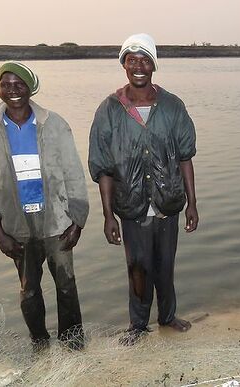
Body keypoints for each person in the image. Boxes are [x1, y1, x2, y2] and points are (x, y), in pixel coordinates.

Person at [88, 33, 198, 344]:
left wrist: (192, 203)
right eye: (132, 60)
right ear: (124, 64)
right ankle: (137, 326)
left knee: (165, 266)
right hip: (131, 206)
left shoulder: (173, 106)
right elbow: (104, 169)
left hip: (167, 203)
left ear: (154, 66)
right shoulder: (109, 110)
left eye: (145, 60)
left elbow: (185, 157)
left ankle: (167, 317)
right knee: (137, 268)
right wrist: (108, 216)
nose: (139, 66)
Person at [0, 62, 88, 351]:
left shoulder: (54, 123)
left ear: (30, 87)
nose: (12, 90)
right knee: (29, 288)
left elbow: (73, 171)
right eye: (6, 84)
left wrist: (78, 220)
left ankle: (73, 343)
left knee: (66, 285)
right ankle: (40, 343)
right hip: (16, 224)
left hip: (56, 220)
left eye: (19, 84)